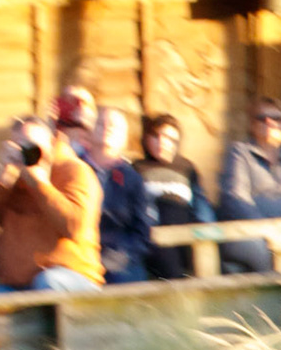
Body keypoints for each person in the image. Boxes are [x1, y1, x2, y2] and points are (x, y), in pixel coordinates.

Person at [0, 115, 104, 292]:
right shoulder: (12, 178)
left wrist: (40, 184)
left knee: (47, 282)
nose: (26, 154)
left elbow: (74, 227)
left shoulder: (75, 171)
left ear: (51, 143)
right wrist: (3, 180)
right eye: (19, 147)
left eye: (32, 146)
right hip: (17, 283)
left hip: (71, 276)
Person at [219, 97, 281, 273]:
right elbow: (237, 199)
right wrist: (266, 230)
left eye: (277, 118)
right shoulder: (239, 152)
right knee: (263, 253)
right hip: (246, 234)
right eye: (262, 118)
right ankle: (279, 291)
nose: (270, 122)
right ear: (252, 126)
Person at [135, 113, 213, 280]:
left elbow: (200, 203)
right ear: (147, 139)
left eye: (169, 138)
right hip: (154, 230)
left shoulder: (187, 168)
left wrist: (206, 230)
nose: (162, 142)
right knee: (165, 208)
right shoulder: (137, 168)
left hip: (185, 228)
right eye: (156, 136)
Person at [90, 106, 151, 285]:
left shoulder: (133, 179)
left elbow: (142, 229)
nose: (107, 128)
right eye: (101, 123)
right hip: (81, 257)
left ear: (124, 138)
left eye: (113, 126)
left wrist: (123, 254)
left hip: (120, 259)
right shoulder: (76, 170)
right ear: (91, 131)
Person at [52, 86, 98, 163]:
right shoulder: (49, 141)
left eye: (82, 103)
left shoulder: (96, 151)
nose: (76, 107)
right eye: (66, 100)